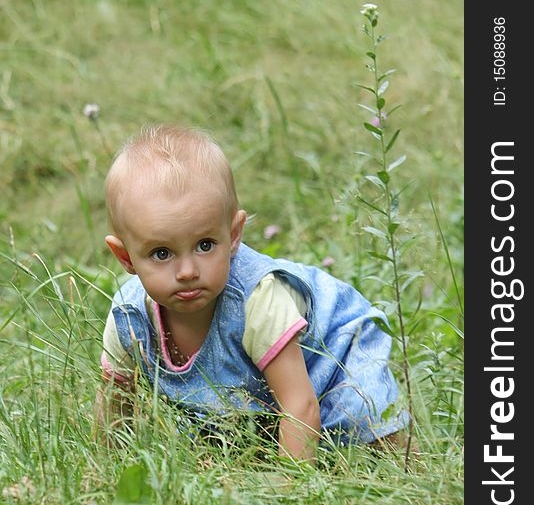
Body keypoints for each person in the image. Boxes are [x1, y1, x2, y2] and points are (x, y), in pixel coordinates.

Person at [97, 124, 408, 461]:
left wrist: (290, 486)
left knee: (368, 427)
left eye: (205, 245)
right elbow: (115, 402)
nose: (187, 271)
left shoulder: (258, 299)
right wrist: (105, 468)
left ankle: (410, 468)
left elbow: (299, 404)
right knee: (225, 440)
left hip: (334, 354)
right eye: (161, 253)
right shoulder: (129, 316)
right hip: (259, 393)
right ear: (126, 257)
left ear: (233, 235)